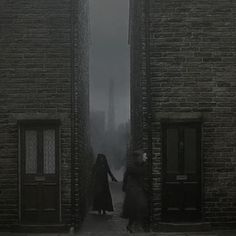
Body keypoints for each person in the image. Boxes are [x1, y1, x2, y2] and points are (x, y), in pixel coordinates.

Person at [122, 150, 148, 233]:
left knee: (138, 208)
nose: (144, 158)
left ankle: (133, 225)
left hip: (138, 189)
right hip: (133, 190)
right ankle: (133, 225)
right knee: (136, 207)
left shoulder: (137, 165)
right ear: (137, 158)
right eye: (142, 157)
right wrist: (125, 186)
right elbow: (140, 172)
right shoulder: (132, 167)